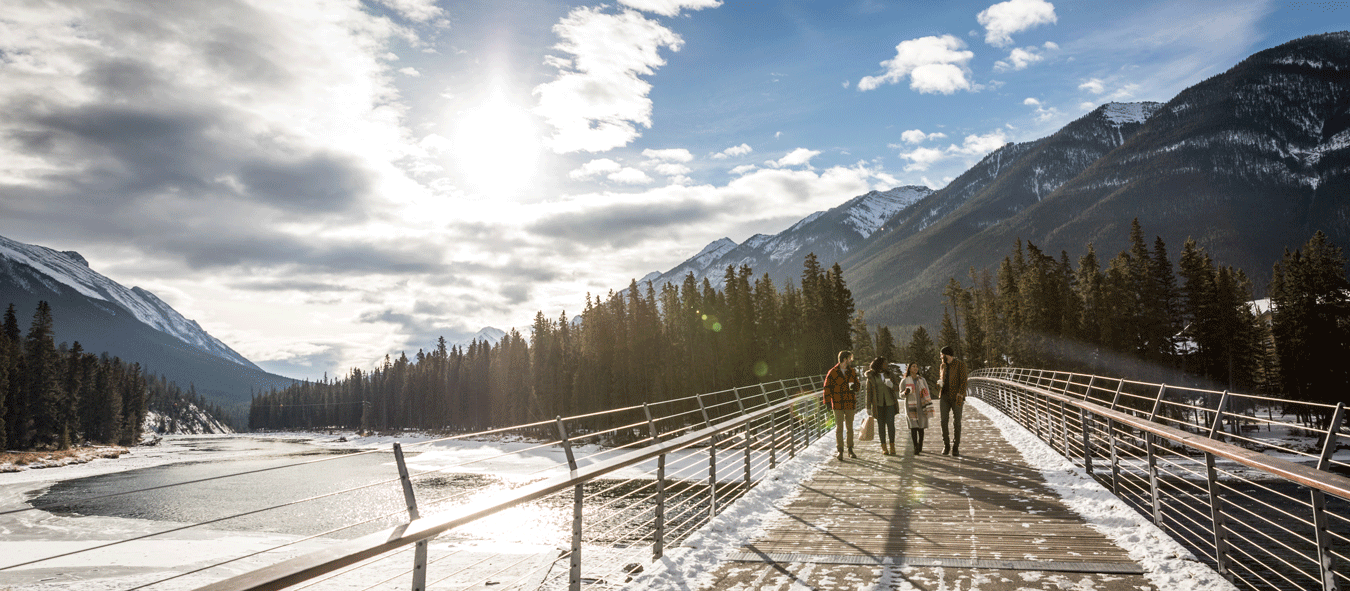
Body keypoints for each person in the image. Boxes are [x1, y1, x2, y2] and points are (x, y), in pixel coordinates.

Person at [822, 350, 860, 460]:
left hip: (849, 403)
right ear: (844, 359)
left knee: (850, 428)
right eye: (849, 358)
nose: (851, 360)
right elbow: (827, 388)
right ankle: (840, 450)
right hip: (837, 403)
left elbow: (857, 386)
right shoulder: (833, 372)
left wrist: (854, 387)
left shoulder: (852, 371)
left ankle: (850, 449)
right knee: (839, 428)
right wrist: (827, 402)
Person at [937, 345, 969, 457]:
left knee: (957, 422)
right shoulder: (942, 366)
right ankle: (946, 445)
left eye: (942, 354)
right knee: (943, 421)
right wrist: (940, 383)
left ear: (947, 355)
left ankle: (956, 446)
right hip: (944, 397)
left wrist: (960, 393)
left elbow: (964, 381)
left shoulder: (960, 364)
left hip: (957, 397)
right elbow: (943, 379)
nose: (941, 357)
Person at [864, 357, 899, 455]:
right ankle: (884, 447)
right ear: (879, 364)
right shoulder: (871, 376)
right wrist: (868, 407)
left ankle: (892, 446)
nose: (886, 365)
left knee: (891, 425)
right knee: (881, 426)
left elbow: (897, 387)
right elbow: (869, 392)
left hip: (890, 403)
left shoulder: (890, 374)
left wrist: (892, 385)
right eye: (885, 363)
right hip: (878, 405)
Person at [899, 362, 933, 454]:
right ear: (909, 369)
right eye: (913, 366)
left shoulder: (922, 380)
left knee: (921, 427)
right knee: (914, 427)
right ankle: (915, 447)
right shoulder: (905, 381)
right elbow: (901, 394)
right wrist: (905, 393)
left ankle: (920, 444)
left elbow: (927, 391)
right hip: (911, 407)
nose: (916, 368)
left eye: (916, 366)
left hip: (921, 405)